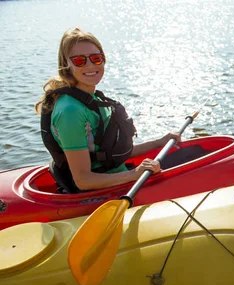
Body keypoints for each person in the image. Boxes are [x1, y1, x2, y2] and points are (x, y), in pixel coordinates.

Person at [34, 27, 202, 193]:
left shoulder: (92, 98)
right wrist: (133, 174)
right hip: (105, 190)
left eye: (96, 58)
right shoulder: (71, 111)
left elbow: (112, 154)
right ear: (66, 65)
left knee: (198, 152)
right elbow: (83, 180)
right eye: (80, 60)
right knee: (197, 164)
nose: (90, 65)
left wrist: (158, 142)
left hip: (118, 175)